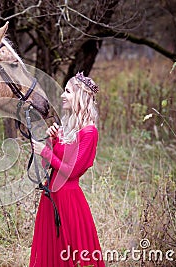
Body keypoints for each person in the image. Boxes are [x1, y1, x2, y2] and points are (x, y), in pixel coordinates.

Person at [29, 72, 105, 267]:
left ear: (80, 96)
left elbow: (71, 172)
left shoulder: (89, 132)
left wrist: (46, 152)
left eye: (68, 91)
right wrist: (52, 140)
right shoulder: (67, 128)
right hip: (51, 196)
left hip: (68, 198)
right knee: (52, 250)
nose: (63, 95)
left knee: (70, 250)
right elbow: (49, 167)